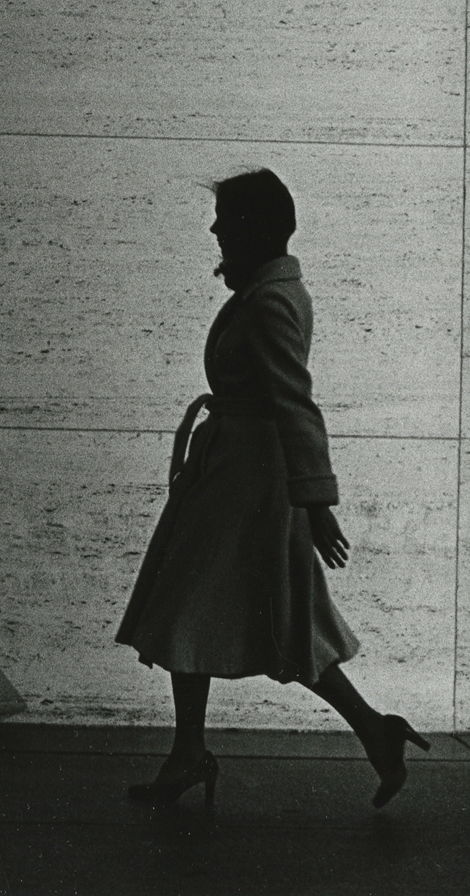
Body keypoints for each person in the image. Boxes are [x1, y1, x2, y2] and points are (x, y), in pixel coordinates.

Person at [116, 168, 429, 812]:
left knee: (240, 616)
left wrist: (315, 502)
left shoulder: (272, 301)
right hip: (233, 477)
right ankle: (201, 751)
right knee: (220, 614)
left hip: (251, 484)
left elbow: (295, 402)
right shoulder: (263, 291)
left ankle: (205, 751)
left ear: (254, 227)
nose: (215, 230)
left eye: (227, 220)